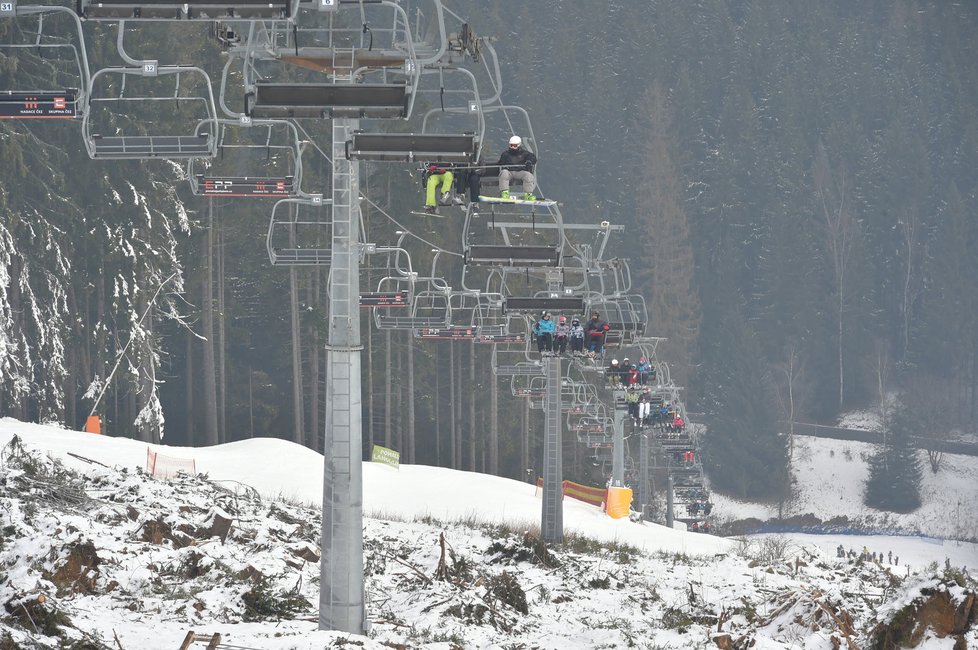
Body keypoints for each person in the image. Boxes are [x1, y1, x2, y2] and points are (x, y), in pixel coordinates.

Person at [496, 135, 538, 201]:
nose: (512, 147)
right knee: (504, 173)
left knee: (528, 176)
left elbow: (533, 158)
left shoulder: (525, 154)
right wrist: (503, 164)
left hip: (520, 171)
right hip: (509, 171)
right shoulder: (506, 154)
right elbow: (500, 163)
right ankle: (504, 192)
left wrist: (529, 162)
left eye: (514, 146)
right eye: (511, 145)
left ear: (519, 145)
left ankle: (528, 194)